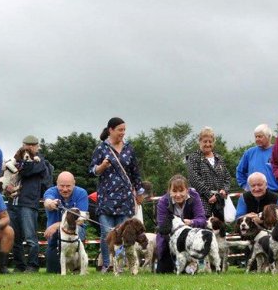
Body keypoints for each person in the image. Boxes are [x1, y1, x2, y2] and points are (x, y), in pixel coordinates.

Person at [89, 117, 143, 271]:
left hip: (125, 199)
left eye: (124, 130)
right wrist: (101, 167)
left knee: (125, 234)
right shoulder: (101, 149)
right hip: (106, 198)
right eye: (120, 130)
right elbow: (92, 170)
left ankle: (119, 266)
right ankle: (108, 264)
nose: (123, 133)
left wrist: (139, 192)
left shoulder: (129, 149)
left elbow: (135, 173)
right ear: (110, 130)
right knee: (107, 232)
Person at [8, 135, 52, 273]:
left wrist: (19, 165)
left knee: (30, 238)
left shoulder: (41, 161)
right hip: (13, 202)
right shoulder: (17, 159)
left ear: (37, 146)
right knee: (15, 238)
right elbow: (7, 173)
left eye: (32, 146)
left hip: (28, 203)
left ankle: (33, 265)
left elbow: (26, 171)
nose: (29, 148)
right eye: (26, 145)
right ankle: (19, 266)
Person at [154, 175, 207, 274]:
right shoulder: (163, 201)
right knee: (163, 271)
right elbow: (162, 227)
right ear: (169, 191)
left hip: (190, 243)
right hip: (169, 242)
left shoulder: (194, 196)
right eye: (174, 191)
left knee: (188, 272)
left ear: (187, 190)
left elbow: (202, 220)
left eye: (181, 191)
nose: (178, 195)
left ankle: (192, 264)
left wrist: (191, 222)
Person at [42, 171, 90, 274]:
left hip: (77, 229)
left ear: (74, 184)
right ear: (57, 184)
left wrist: (56, 225)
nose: (64, 189)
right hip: (54, 235)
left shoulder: (82, 193)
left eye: (68, 186)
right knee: (53, 272)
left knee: (79, 232)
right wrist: (50, 204)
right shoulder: (50, 191)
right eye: (61, 186)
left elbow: (81, 220)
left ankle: (78, 266)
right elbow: (47, 201)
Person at [185, 126, 232, 222]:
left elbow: (227, 177)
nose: (207, 144)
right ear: (200, 142)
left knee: (220, 231)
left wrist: (224, 189)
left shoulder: (219, 158)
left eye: (210, 141)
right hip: (201, 201)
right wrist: (209, 195)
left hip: (219, 202)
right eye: (205, 141)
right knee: (204, 229)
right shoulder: (193, 157)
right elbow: (194, 179)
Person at [235, 124, 278, 194]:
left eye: (260, 136)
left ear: (269, 137)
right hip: (254, 194)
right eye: (256, 137)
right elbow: (239, 171)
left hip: (274, 193)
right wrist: (246, 186)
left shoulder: (277, 151)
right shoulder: (249, 153)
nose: (257, 139)